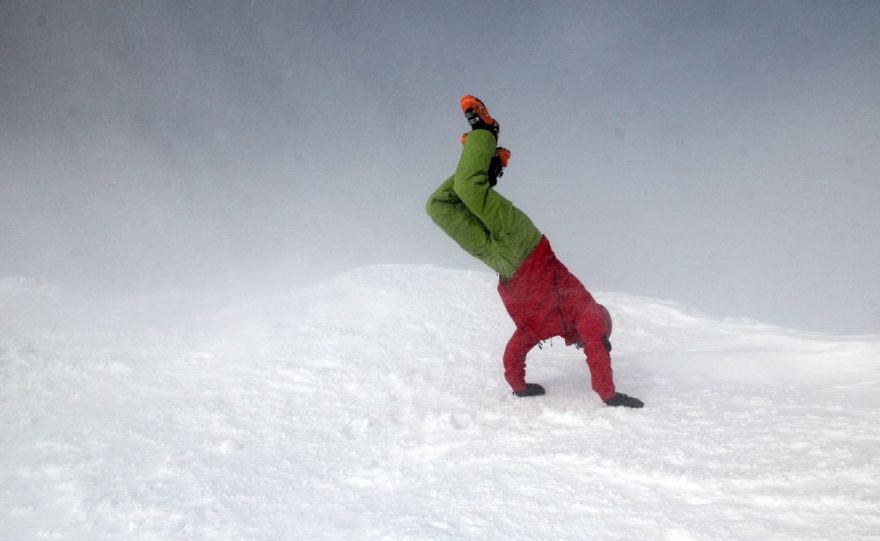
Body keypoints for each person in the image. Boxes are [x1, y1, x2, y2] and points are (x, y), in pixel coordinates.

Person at [426, 95, 644, 408]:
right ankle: (486, 131)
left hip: (501, 263)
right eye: (598, 338)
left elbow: (513, 353)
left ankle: (488, 162)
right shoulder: (589, 311)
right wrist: (608, 394)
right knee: (470, 189)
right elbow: (596, 349)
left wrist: (519, 386)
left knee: (439, 206)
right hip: (525, 245)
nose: (587, 344)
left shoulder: (539, 328)